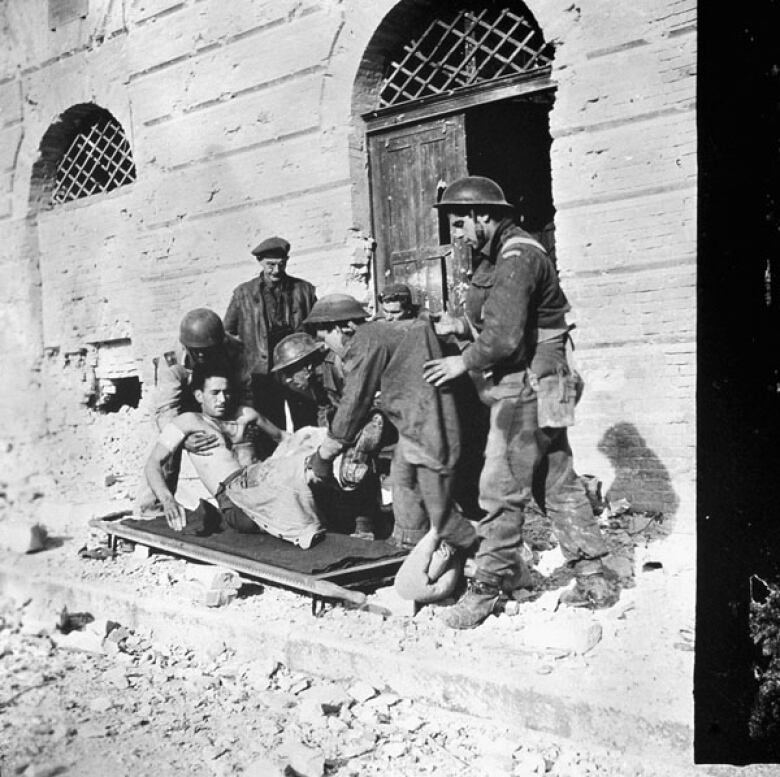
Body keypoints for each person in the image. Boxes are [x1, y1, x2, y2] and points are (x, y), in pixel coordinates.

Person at [423, 175, 618, 629]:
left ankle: (486, 589)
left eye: (458, 223)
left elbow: (508, 337)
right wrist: (460, 326)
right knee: (555, 478)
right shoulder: (510, 253)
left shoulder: (516, 257)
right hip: (542, 378)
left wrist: (461, 361)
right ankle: (595, 577)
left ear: (483, 216)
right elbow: (513, 320)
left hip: (526, 384)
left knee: (499, 487)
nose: (455, 234)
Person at [303, 294, 477, 554]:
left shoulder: (366, 340)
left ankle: (491, 552)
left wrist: (324, 455)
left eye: (326, 338)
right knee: (414, 487)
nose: (328, 347)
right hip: (432, 420)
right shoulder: (388, 331)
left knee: (413, 490)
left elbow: (354, 401)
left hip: (425, 424)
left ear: (344, 328)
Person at [144, 364, 324, 548]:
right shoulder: (188, 421)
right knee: (299, 474)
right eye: (215, 393)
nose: (222, 399)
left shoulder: (245, 415)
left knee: (311, 449)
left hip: (264, 478)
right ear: (199, 396)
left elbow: (284, 438)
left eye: (226, 392)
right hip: (235, 499)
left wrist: (313, 440)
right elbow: (153, 464)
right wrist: (167, 500)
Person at [138, 308, 252, 512]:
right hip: (182, 400)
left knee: (243, 443)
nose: (200, 355)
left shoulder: (235, 350)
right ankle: (152, 508)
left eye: (207, 350)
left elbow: (244, 391)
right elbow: (167, 409)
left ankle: (248, 504)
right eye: (195, 350)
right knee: (167, 450)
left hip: (219, 394)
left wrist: (235, 427)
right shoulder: (170, 360)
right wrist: (182, 438)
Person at [223, 236, 317, 437]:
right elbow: (228, 334)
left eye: (281, 265)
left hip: (296, 370)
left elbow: (317, 330)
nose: (276, 270)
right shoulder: (243, 294)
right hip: (262, 375)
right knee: (270, 431)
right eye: (270, 265)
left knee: (307, 425)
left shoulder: (305, 290)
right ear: (260, 262)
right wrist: (243, 364)